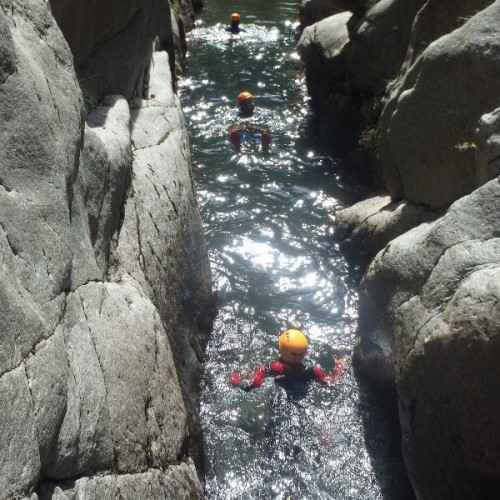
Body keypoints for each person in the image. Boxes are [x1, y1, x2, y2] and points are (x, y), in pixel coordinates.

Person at [230, 329, 345, 391]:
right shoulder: (312, 371)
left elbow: (254, 385)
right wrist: (340, 366)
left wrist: (235, 378)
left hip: (279, 400)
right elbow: (331, 381)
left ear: (281, 348)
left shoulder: (269, 368)